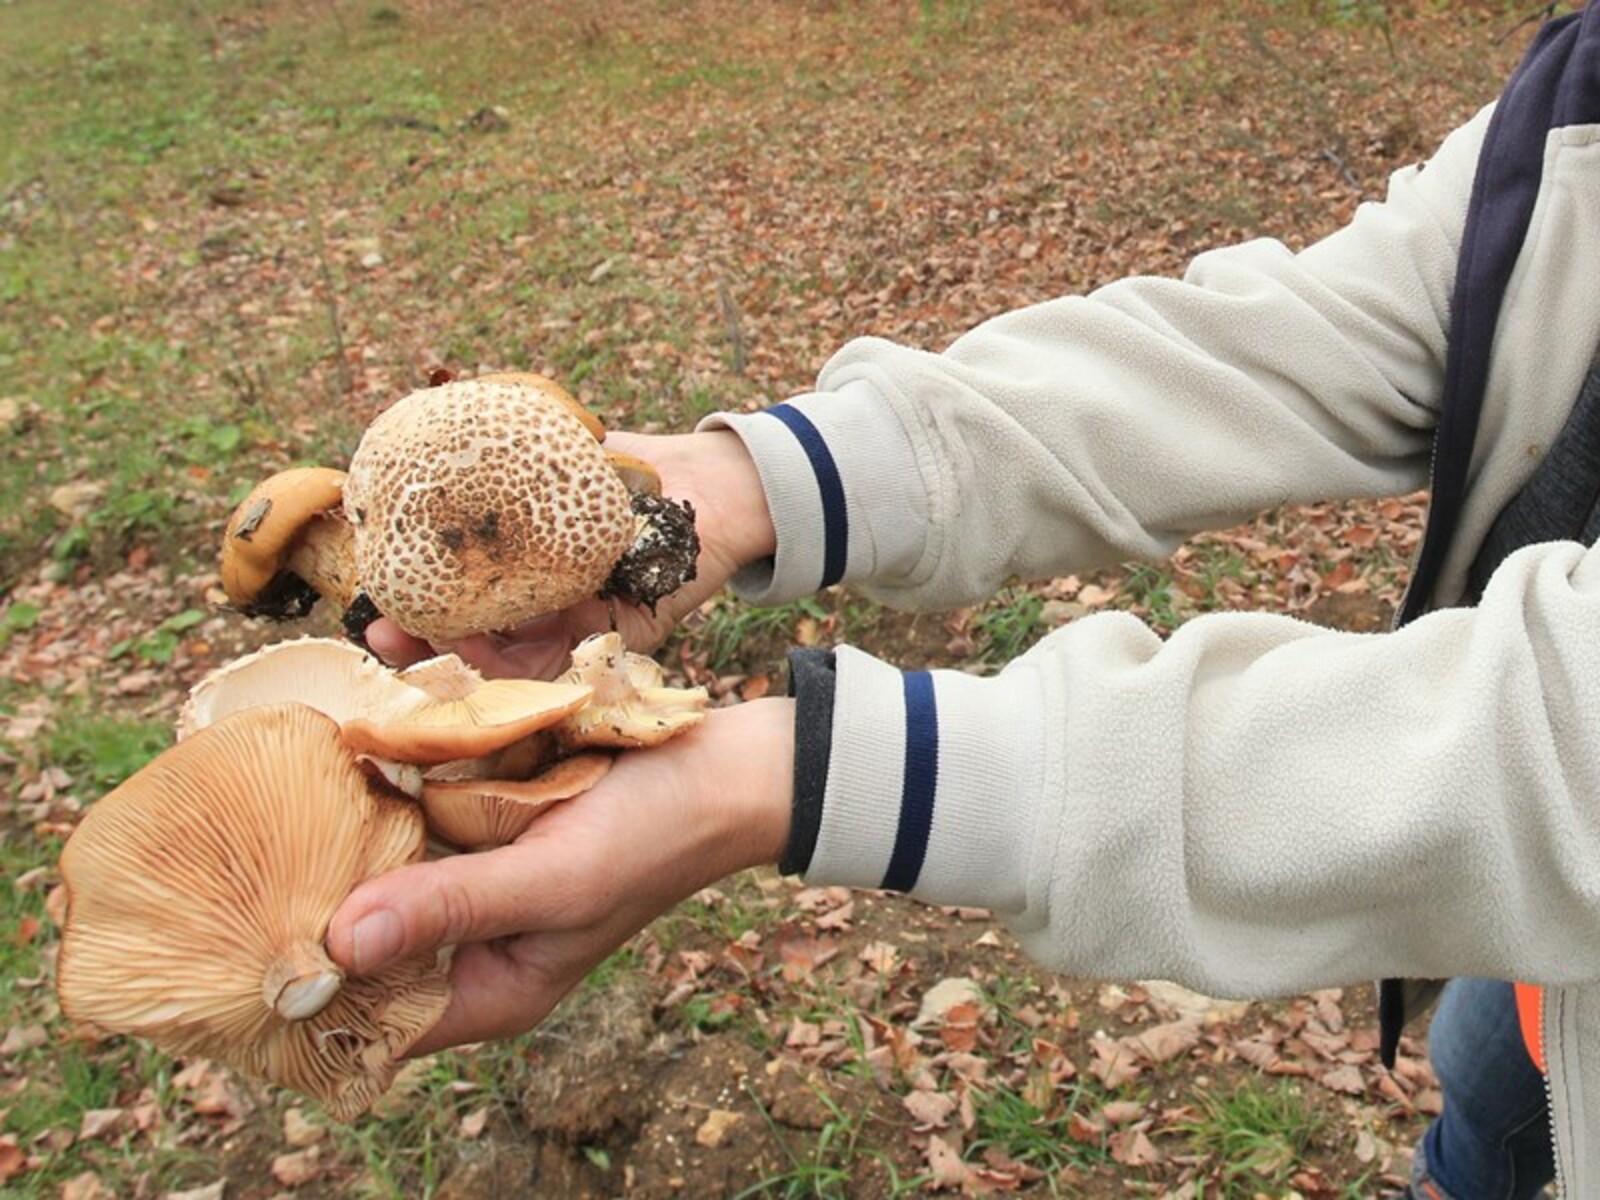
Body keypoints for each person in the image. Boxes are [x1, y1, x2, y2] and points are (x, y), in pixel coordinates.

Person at [326, 7, 1600, 1196]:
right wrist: (748, 484)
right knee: (1491, 1094)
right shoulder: (1578, 92)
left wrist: (797, 776)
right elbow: (1307, 336)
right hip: (1545, 973)